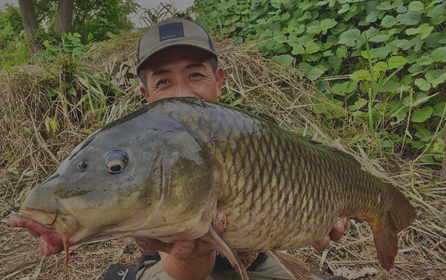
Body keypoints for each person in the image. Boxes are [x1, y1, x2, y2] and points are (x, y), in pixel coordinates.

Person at [133, 18, 348, 280]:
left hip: (253, 262)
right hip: (176, 270)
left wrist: (311, 216)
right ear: (147, 95)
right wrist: (197, 250)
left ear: (218, 80)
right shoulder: (147, 150)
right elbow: (188, 273)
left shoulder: (252, 135)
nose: (182, 93)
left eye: (196, 75)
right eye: (164, 81)